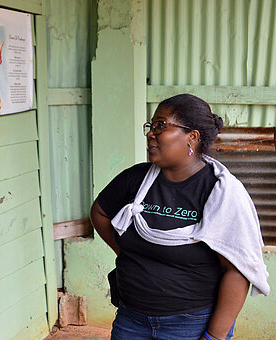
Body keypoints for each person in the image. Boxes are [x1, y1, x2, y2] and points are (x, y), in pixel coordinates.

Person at [90, 94, 270, 340]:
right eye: (151, 126)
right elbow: (100, 211)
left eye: (161, 125)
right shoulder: (135, 179)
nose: (151, 133)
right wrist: (126, 252)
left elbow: (238, 271)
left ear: (192, 137)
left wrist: (214, 337)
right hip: (131, 319)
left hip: (190, 324)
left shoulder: (220, 192)